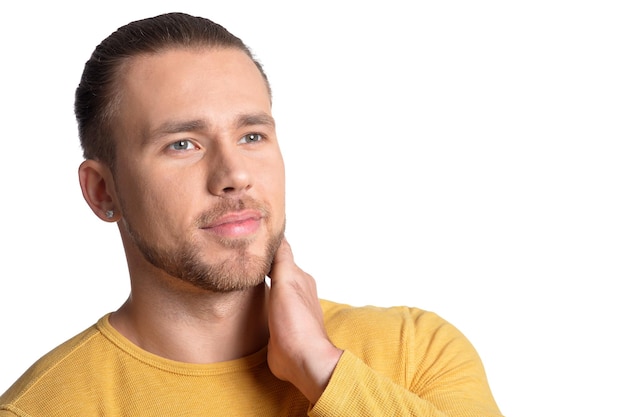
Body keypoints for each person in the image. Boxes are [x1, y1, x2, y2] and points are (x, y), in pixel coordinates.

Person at [0, 12, 503, 417]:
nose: (234, 174)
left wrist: (321, 369)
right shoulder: (42, 408)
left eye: (251, 136)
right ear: (102, 190)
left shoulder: (414, 351)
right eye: (183, 144)